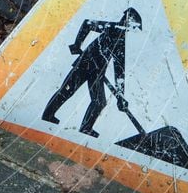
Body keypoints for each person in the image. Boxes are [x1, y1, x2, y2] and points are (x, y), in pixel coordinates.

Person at [41, 8, 142, 137]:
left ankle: (86, 128)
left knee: (99, 101)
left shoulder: (120, 42)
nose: (129, 29)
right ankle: (47, 115)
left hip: (97, 72)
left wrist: (120, 96)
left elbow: (119, 71)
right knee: (67, 90)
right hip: (84, 64)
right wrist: (77, 44)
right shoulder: (110, 27)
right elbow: (87, 24)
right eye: (131, 25)